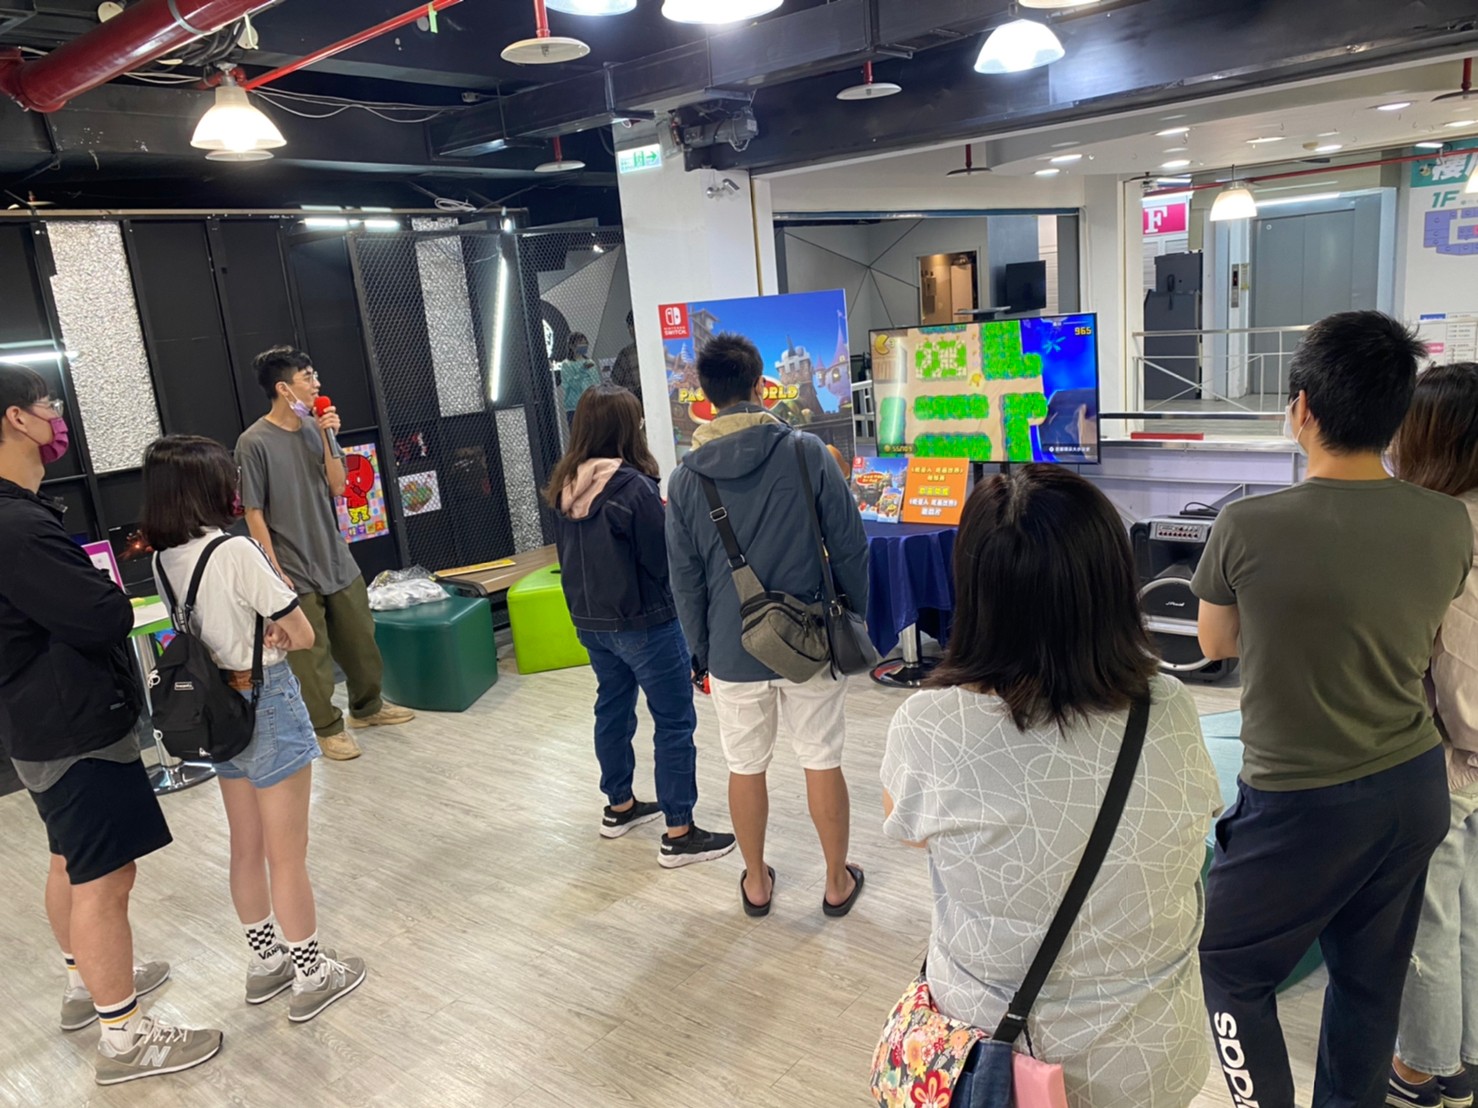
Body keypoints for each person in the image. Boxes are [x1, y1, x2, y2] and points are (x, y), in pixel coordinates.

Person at [1192, 312, 1473, 1108]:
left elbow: (1215, 641)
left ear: (1303, 408)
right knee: (1368, 982)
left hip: (1299, 798)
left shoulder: (1247, 523)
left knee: (1229, 965)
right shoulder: (1447, 521)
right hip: (1411, 788)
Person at [881, 466, 1222, 1107]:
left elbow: (910, 831)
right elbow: (1196, 817)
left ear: (975, 590)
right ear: (1113, 583)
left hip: (997, 1060)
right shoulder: (1169, 705)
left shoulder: (929, 725)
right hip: (1151, 1056)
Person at [0, 364, 221, 1085]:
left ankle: (84, 983)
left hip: (38, 725)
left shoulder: (19, 516)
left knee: (70, 860)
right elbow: (102, 614)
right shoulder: (17, 527)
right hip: (73, 729)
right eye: (48, 406)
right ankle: (124, 1036)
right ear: (16, 419)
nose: (56, 418)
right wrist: (105, 592)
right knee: (105, 877)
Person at [144, 435, 367, 1024]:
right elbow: (304, 634)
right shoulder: (236, 550)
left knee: (245, 847)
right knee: (288, 854)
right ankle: (312, 973)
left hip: (217, 710)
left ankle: (267, 962)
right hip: (266, 701)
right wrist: (278, 629)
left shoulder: (163, 561)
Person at [666, 333, 869, 918]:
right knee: (821, 758)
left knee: (744, 765)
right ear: (761, 385)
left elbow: (685, 581)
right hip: (811, 640)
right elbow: (850, 546)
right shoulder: (808, 453)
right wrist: (854, 616)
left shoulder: (685, 480)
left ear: (706, 397)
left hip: (732, 649)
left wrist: (702, 653)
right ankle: (836, 882)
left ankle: (756, 882)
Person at [546, 385, 736, 867]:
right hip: (646, 624)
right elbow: (665, 561)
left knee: (612, 707)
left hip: (590, 623)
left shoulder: (563, 486)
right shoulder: (633, 488)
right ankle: (679, 832)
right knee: (674, 721)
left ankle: (620, 806)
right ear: (627, 428)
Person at [237, 347, 414, 762]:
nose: (316, 384)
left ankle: (367, 707)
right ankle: (327, 727)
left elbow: (337, 486)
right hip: (292, 564)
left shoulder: (315, 429)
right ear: (283, 388)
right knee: (310, 657)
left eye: (315, 375)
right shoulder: (253, 442)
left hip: (334, 556)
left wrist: (328, 435)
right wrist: (272, 569)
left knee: (360, 637)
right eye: (307, 377)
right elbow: (253, 512)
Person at [1387, 363, 1478, 1108]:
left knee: (1428, 922)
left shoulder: (1449, 530)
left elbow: (1461, 678)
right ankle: (1464, 1054)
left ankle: (1420, 1068)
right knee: (1469, 914)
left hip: (1450, 760)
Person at [560, 333, 602, 428]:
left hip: (592, 404)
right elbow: (574, 385)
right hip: (576, 407)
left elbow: (596, 382)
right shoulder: (567, 365)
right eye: (580, 343)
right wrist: (583, 370)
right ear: (571, 346)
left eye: (585, 343)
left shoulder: (590, 362)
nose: (583, 345)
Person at [611, 310, 643, 406]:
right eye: (629, 327)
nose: (630, 330)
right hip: (634, 401)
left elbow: (615, 382)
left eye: (632, 326)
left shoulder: (627, 354)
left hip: (634, 403)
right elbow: (615, 382)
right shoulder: (626, 354)